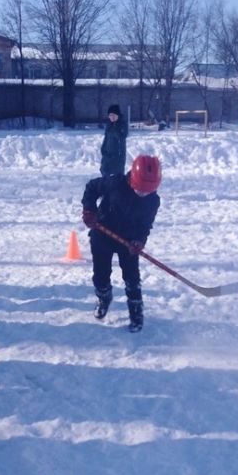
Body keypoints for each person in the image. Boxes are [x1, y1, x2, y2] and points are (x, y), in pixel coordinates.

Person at [81, 154, 161, 333]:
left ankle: (136, 312)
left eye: (147, 192)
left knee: (132, 279)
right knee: (100, 276)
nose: (143, 194)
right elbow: (91, 188)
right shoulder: (115, 183)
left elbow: (145, 225)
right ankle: (104, 297)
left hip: (128, 242)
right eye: (140, 190)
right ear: (132, 179)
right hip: (103, 233)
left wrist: (140, 241)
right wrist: (89, 211)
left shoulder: (153, 201)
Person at [100, 104, 128, 178]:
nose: (111, 117)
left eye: (113, 115)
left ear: (117, 115)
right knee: (105, 173)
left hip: (118, 155)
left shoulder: (122, 124)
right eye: (110, 115)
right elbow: (106, 137)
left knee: (117, 176)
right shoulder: (109, 124)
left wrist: (115, 127)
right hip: (107, 154)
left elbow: (122, 136)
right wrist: (103, 148)